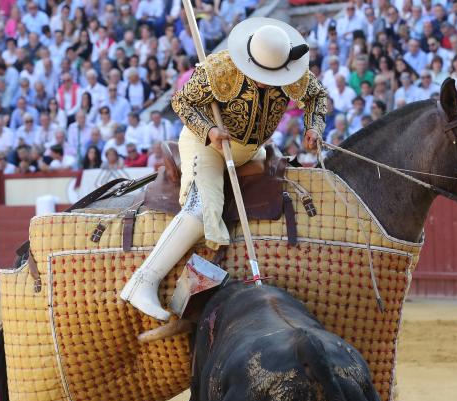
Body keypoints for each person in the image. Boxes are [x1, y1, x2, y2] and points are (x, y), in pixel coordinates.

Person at [121, 18, 327, 321]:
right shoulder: (219, 68)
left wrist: (313, 127)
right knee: (201, 208)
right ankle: (142, 281)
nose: (265, 82)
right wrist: (209, 131)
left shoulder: (291, 71)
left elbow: (317, 96)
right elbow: (181, 102)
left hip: (253, 149)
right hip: (208, 145)